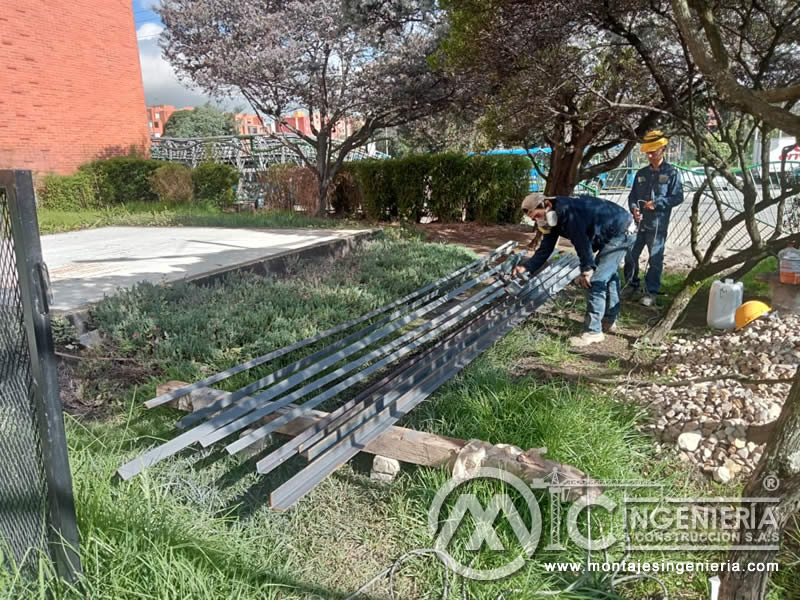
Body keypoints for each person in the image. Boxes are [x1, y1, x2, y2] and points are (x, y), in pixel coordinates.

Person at [513, 192, 636, 347]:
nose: (537, 220)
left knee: (596, 279)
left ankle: (594, 332)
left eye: (537, 215)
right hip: (609, 231)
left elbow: (581, 242)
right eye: (533, 219)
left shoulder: (568, 212)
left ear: (547, 205)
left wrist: (587, 269)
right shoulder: (551, 217)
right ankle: (609, 320)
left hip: (621, 231)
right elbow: (546, 248)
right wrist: (526, 267)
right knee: (608, 275)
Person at [623, 130, 684, 306]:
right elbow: (632, 196)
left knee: (655, 259)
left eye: (653, 152)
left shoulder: (672, 173)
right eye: (647, 152)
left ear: (663, 149)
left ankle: (651, 292)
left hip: (657, 224)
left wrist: (657, 203)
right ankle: (631, 285)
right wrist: (634, 209)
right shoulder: (641, 174)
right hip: (639, 223)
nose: (649, 155)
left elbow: (678, 197)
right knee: (631, 255)